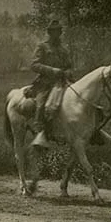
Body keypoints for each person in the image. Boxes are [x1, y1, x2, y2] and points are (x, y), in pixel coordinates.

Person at [30, 19, 73, 148]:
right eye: (54, 31)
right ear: (49, 32)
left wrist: (68, 72)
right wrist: (52, 70)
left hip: (62, 82)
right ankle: (40, 133)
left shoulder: (64, 50)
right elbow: (34, 65)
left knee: (81, 98)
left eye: (58, 31)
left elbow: (69, 66)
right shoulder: (42, 47)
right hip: (45, 83)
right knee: (42, 104)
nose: (57, 34)